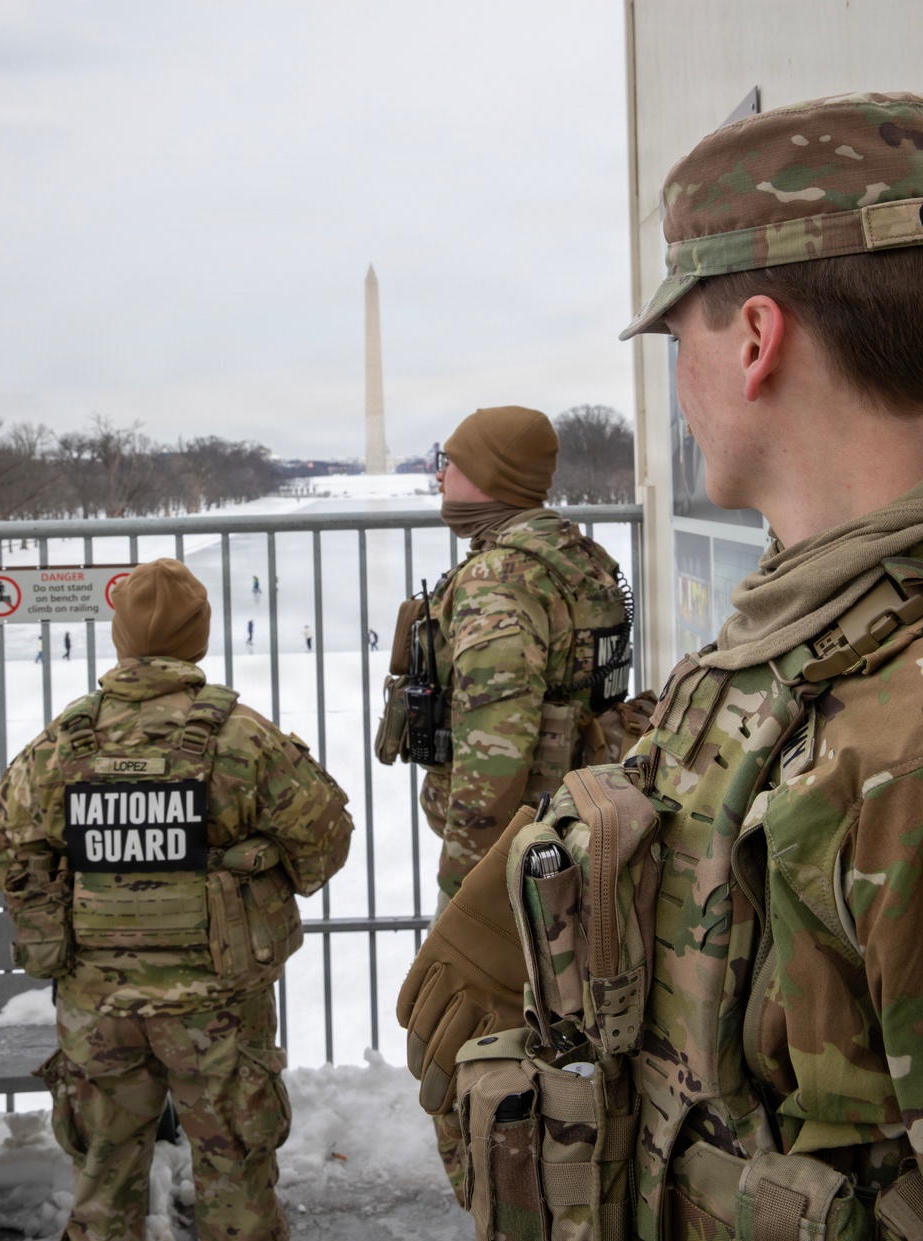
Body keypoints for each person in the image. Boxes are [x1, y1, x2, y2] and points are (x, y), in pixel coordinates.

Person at [399, 92, 923, 1240]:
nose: (677, 383)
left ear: (752, 340)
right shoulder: (803, 633)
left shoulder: (899, 724)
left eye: (676, 336)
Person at [0, 558, 354, 1241]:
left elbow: (1, 846)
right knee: (236, 1176)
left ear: (120, 637)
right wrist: (243, 862)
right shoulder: (243, 737)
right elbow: (325, 845)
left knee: (103, 1181)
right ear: (198, 637)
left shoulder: (66, 742)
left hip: (98, 1007)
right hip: (217, 1010)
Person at [393, 404, 635, 1203]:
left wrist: (470, 899)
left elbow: (495, 752)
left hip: (512, 867)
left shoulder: (502, 577)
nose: (440, 475)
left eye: (453, 462)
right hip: (581, 839)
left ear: (492, 475)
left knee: (477, 1048)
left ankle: (501, 1204)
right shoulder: (581, 560)